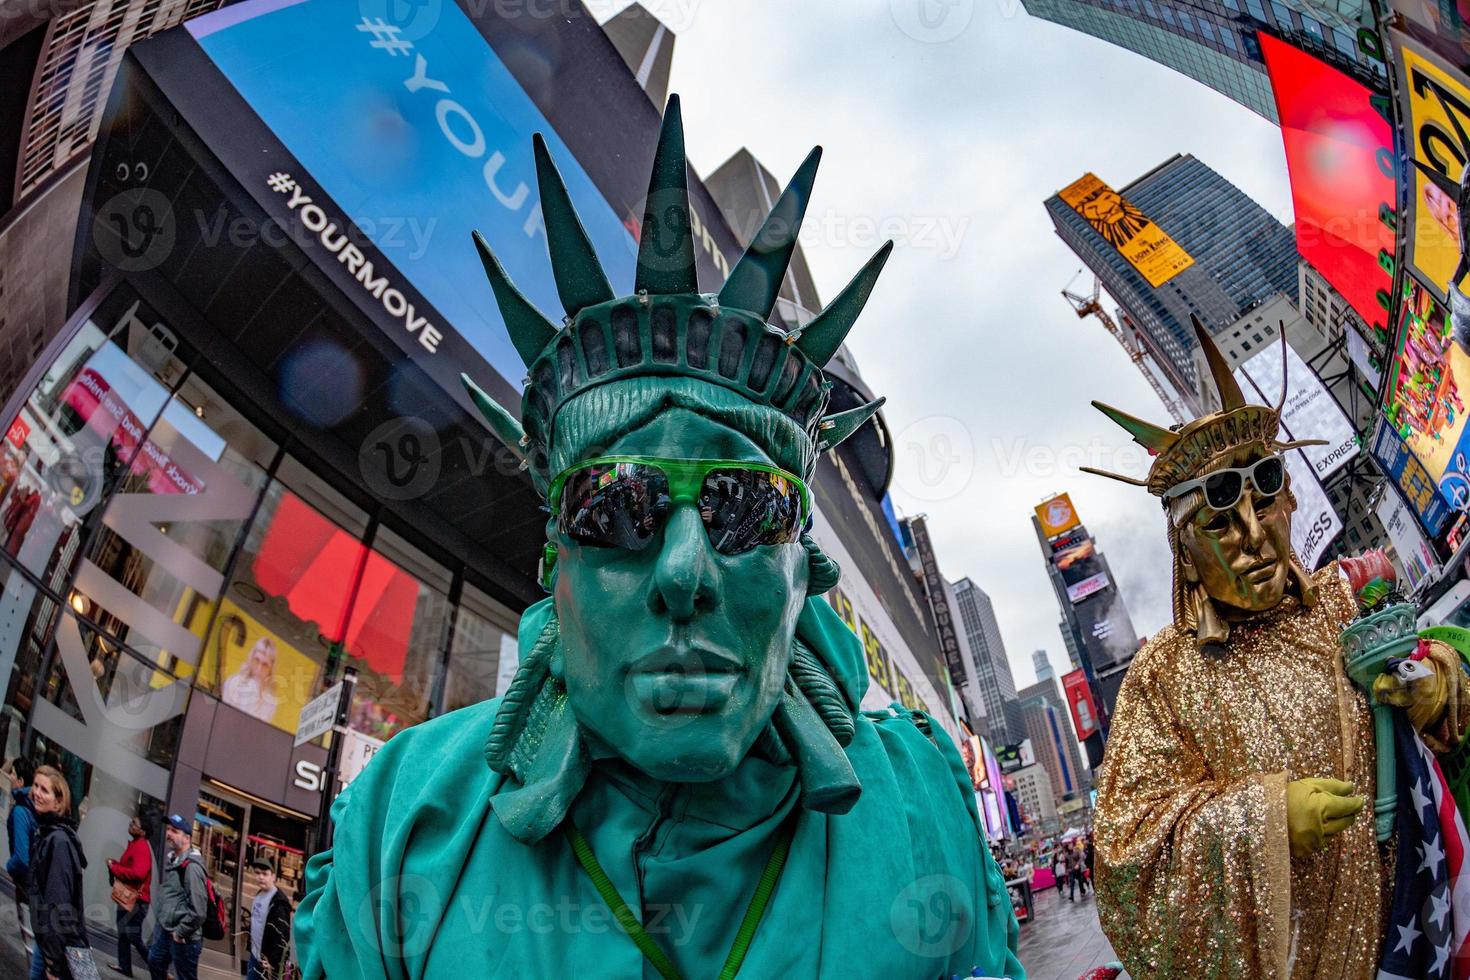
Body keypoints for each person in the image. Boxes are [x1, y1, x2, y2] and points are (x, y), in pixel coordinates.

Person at [293, 100, 1025, 979]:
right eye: (615, 509)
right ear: (554, 568)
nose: (685, 572)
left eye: (747, 508)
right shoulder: (402, 821)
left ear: (806, 575)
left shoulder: (926, 808)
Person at [1085, 322, 1470, 977]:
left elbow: (1446, 667)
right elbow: (1126, 856)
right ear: (1184, 547)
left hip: (1409, 942)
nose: (1255, 536)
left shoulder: (1347, 600)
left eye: (1268, 503)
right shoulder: (1162, 677)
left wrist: (1439, 686)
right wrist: (1265, 822)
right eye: (1221, 523)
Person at [29, 764, 96, 980]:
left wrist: (52, 965)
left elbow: (58, 904)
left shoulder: (58, 841)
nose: (36, 793)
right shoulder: (49, 834)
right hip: (51, 944)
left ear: (59, 802)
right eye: (35, 786)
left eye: (45, 790)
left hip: (58, 950)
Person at [148, 814, 206, 980]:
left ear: (187, 838)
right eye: (168, 830)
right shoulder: (174, 860)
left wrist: (180, 932)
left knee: (184, 976)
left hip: (183, 937)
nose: (169, 834)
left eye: (174, 831)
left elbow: (199, 911)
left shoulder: (192, 868)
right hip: (166, 928)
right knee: (155, 962)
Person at [106, 814, 154, 977]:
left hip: (137, 901)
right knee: (124, 932)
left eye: (134, 823)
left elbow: (138, 874)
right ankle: (124, 966)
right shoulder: (136, 844)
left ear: (143, 831)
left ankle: (158, 969)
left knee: (132, 935)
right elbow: (130, 868)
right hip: (130, 898)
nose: (130, 824)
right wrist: (115, 864)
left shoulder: (141, 847)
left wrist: (115, 869)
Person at [6, 756, 36, 954]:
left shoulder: (20, 811)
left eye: (13, 774)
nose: (10, 777)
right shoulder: (34, 806)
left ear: (21, 782)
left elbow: (21, 858)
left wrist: (10, 866)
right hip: (37, 883)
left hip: (26, 883)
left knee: (30, 941)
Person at [246, 859, 293, 980]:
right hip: (254, 956)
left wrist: (273, 961)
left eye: (265, 874)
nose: (260, 877)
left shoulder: (279, 902)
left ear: (273, 877)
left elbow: (282, 935)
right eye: (257, 873)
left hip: (266, 964)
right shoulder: (259, 894)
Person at [221, 636, 279, 723]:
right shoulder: (233, 682)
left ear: (271, 670)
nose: (259, 669)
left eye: (265, 665)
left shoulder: (271, 702)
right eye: (257, 660)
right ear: (251, 659)